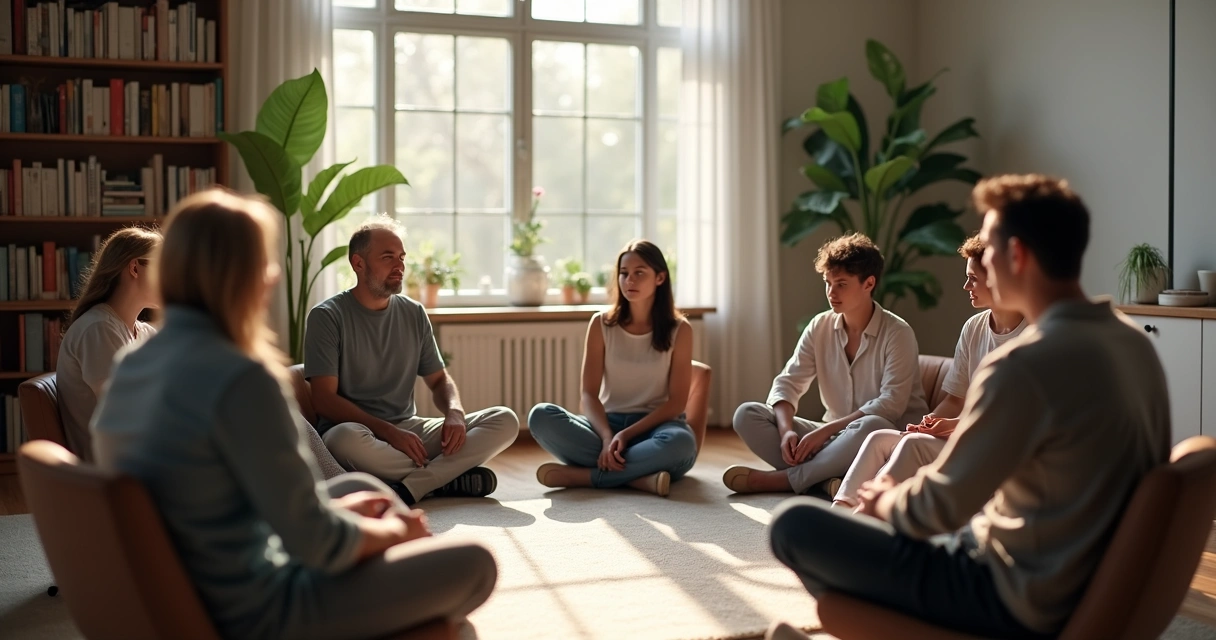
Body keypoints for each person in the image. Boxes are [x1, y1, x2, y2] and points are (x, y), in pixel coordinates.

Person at [766, 174, 1171, 639]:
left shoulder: (1024, 364)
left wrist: (884, 498)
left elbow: (938, 507)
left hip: (1009, 593)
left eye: (990, 249)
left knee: (794, 526)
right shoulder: (1134, 343)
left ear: (1016, 255)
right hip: (1079, 582)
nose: (981, 264)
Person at [92, 189, 498, 640]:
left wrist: (354, 510)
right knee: (476, 565)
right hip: (264, 609)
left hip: (207, 573)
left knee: (361, 486)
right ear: (245, 277)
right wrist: (393, 532)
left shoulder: (134, 363)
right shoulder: (242, 379)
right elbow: (318, 544)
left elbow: (216, 495)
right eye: (264, 263)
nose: (271, 277)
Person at [306, 216, 519, 505]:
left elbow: (439, 380)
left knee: (505, 420)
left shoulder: (414, 313)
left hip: (408, 430)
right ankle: (445, 478)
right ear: (358, 263)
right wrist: (387, 431)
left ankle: (413, 486)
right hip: (360, 433)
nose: (400, 266)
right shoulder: (327, 317)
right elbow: (323, 400)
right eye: (387, 257)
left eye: (402, 257)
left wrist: (455, 412)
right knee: (341, 440)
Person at [832, 234, 1028, 508]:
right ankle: (839, 511)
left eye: (972, 278)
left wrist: (958, 426)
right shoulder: (974, 327)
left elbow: (1018, 419)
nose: (965, 286)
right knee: (879, 438)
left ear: (996, 277)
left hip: (993, 449)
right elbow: (955, 399)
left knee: (913, 446)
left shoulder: (1033, 335)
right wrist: (926, 424)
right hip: (962, 438)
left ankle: (864, 516)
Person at [726, 233, 927, 495]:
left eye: (841, 284)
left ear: (869, 283)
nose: (832, 292)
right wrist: (787, 432)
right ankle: (824, 479)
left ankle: (788, 480)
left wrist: (826, 432)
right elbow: (788, 382)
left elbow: (890, 405)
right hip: (834, 440)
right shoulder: (819, 326)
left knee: (873, 425)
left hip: (883, 440)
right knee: (747, 414)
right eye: (828, 283)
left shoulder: (897, 332)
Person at [528, 240, 698, 498]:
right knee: (540, 416)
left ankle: (588, 476)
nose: (629, 280)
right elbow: (588, 394)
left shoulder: (680, 329)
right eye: (624, 273)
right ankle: (638, 477)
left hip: (658, 427)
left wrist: (627, 436)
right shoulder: (601, 324)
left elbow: (676, 403)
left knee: (681, 445)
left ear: (660, 278)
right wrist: (608, 438)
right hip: (607, 425)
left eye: (639, 273)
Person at [56, 227, 160, 462]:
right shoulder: (98, 328)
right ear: (135, 268)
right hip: (109, 468)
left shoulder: (145, 333)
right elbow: (124, 414)